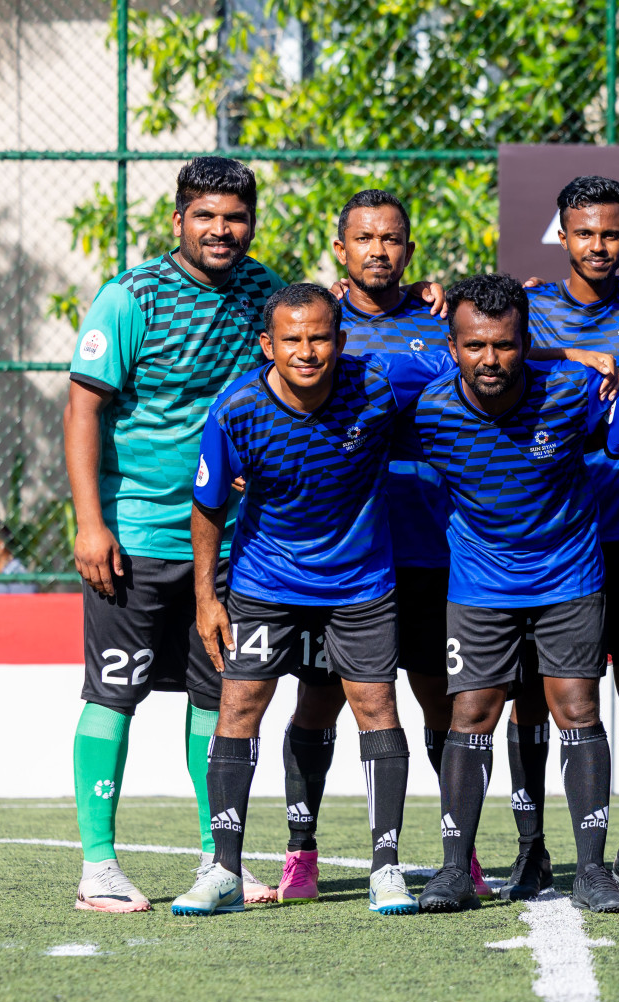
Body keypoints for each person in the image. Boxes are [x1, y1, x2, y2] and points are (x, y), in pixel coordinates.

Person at [171, 283, 453, 916]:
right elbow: (208, 505)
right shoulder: (236, 407)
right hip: (265, 582)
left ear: (340, 340)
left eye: (320, 336)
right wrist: (205, 599)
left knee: (376, 706)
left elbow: (476, 361)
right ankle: (223, 869)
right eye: (292, 339)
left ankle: (386, 869)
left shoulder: (378, 389)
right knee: (240, 704)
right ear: (268, 345)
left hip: (361, 583)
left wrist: (572, 358)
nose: (307, 350)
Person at [63, 157, 285, 913]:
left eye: (235, 217)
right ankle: (99, 864)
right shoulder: (132, 298)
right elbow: (83, 409)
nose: (222, 230)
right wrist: (91, 524)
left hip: (230, 547)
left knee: (218, 698)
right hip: (135, 538)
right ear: (179, 220)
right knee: (114, 693)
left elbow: (318, 343)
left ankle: (216, 859)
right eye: (207, 216)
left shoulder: (267, 294)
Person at [398, 275, 619, 914]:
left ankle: (592, 871)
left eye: (504, 345)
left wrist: (574, 358)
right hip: (479, 582)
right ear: (451, 346)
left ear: (525, 342)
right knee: (469, 716)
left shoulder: (573, 389)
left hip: (568, 576)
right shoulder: (427, 408)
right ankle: (454, 870)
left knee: (578, 712)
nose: (490, 360)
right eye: (474, 346)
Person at [518, 175, 619, 896]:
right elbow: (482, 350)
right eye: (584, 232)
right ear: (561, 235)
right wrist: (569, 361)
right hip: (547, 530)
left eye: (611, 233)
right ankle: (532, 843)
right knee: (532, 690)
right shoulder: (532, 309)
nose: (598, 245)